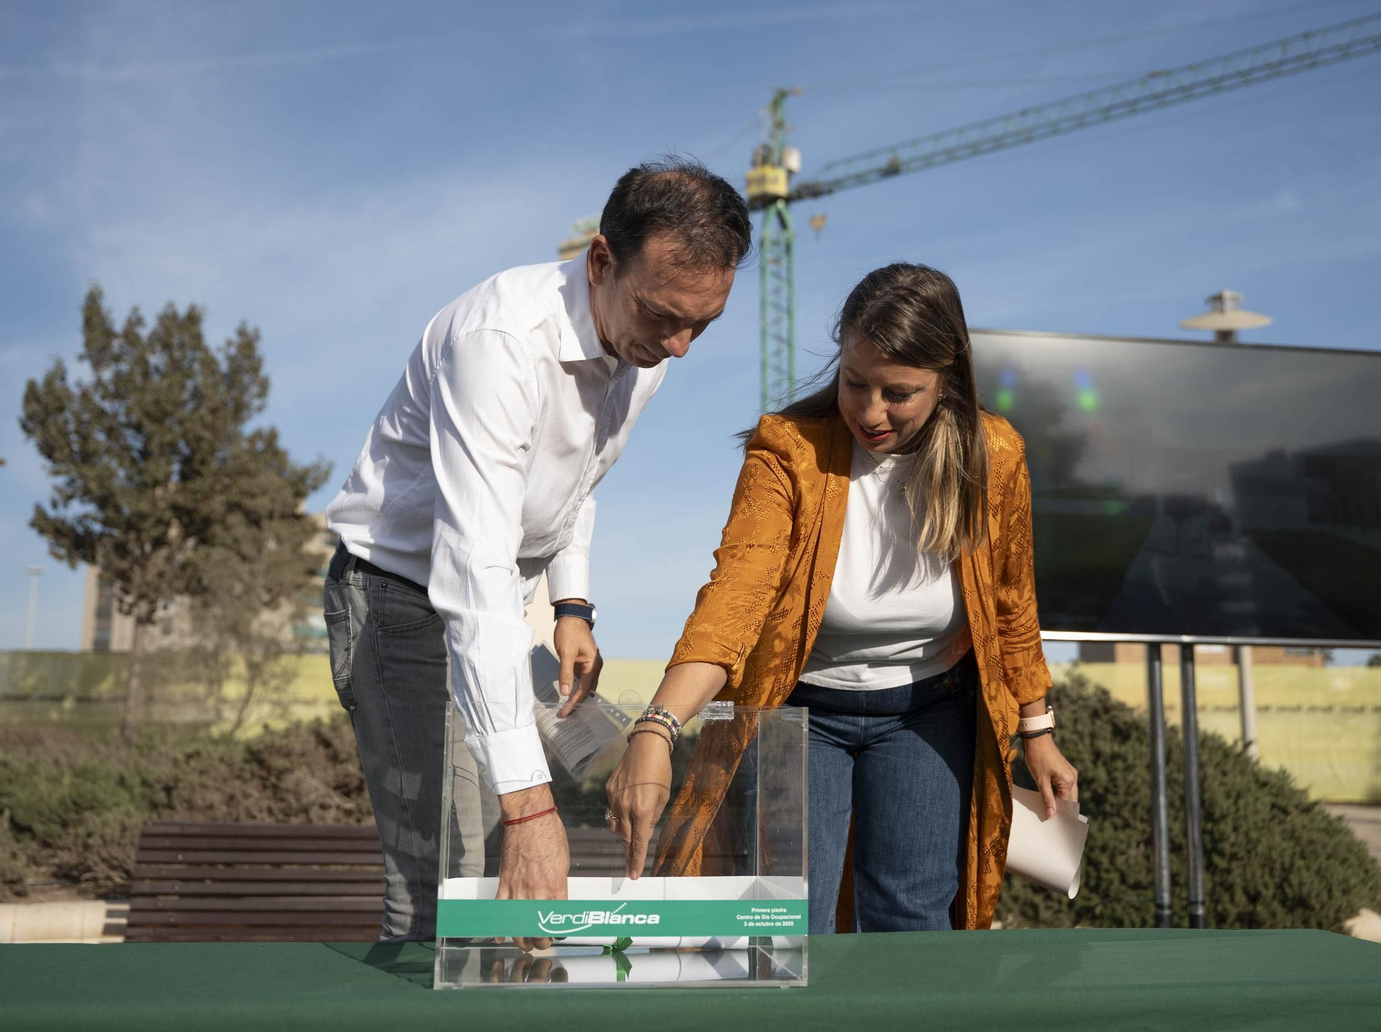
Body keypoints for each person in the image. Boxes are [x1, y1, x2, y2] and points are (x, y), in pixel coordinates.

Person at [322, 158, 751, 941]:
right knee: (444, 883)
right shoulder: (498, 344)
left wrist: (571, 604)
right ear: (600, 261)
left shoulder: (644, 346)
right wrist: (531, 807)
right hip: (397, 596)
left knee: (495, 845)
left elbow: (574, 479)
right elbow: (476, 572)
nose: (683, 346)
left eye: (704, 323)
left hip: (497, 601)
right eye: (665, 316)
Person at [606, 262, 1079, 932]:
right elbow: (734, 601)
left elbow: (1012, 604)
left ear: (946, 379)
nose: (869, 410)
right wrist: (657, 727)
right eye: (855, 383)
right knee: (786, 919)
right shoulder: (788, 450)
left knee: (911, 914)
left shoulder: (994, 455)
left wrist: (1038, 733)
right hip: (801, 713)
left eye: (898, 393)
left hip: (928, 711)